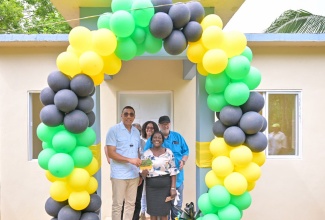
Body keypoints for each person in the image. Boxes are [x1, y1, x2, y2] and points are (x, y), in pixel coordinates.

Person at [144, 116, 189, 220]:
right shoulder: (153, 139)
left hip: (177, 179)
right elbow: (145, 157)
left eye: (167, 123)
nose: (166, 125)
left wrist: (183, 161)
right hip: (160, 182)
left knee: (176, 207)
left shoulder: (177, 137)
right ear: (159, 125)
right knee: (163, 210)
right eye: (163, 124)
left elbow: (186, 152)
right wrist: (144, 172)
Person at [105, 106, 142, 220]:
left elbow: (137, 152)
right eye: (126, 114)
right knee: (117, 205)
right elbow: (111, 153)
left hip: (134, 175)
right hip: (119, 175)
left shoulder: (136, 132)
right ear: (121, 115)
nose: (128, 116)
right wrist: (130, 160)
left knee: (131, 205)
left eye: (131, 114)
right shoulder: (113, 130)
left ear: (134, 117)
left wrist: (140, 172)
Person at [141, 131, 179, 220]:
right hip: (151, 187)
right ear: (151, 140)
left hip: (165, 186)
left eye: (159, 138)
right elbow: (143, 174)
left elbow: (173, 171)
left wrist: (173, 188)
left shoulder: (168, 152)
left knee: (164, 213)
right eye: (155, 137)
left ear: (162, 140)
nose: (157, 139)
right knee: (153, 212)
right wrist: (144, 172)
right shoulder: (147, 154)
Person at [139, 121, 159, 220]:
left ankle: (153, 214)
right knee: (143, 192)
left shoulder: (157, 140)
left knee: (153, 193)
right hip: (144, 167)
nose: (149, 130)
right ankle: (142, 213)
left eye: (152, 128)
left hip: (156, 170)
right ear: (144, 129)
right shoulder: (141, 141)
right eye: (147, 128)